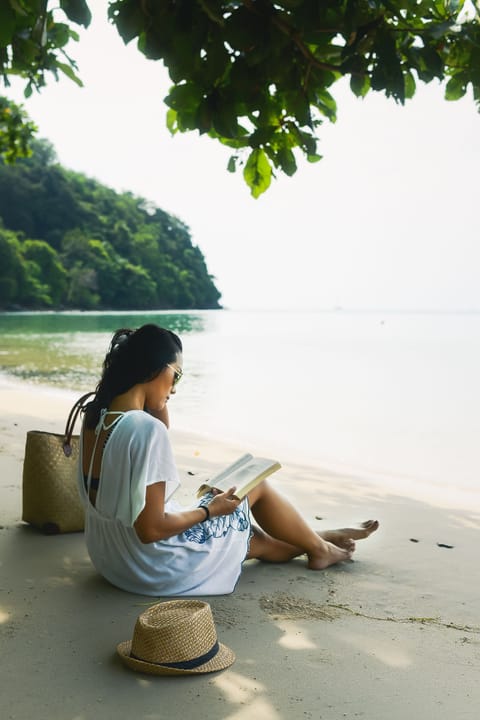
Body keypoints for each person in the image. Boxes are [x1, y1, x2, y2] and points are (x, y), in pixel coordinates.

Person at [78, 323, 378, 597]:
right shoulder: (146, 430)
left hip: (114, 560)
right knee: (255, 487)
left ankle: (316, 539)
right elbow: (151, 529)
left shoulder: (98, 417)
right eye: (177, 375)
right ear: (156, 369)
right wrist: (210, 510)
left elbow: (147, 442)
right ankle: (319, 547)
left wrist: (157, 396)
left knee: (254, 541)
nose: (176, 387)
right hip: (156, 567)